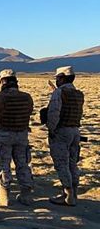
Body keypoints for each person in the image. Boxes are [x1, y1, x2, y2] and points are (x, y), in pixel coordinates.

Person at [0, 69, 34, 206]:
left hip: (3, 134)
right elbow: (29, 111)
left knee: (3, 164)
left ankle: (4, 196)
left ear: (2, 82)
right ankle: (26, 195)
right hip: (22, 135)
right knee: (23, 164)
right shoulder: (27, 97)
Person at [46, 66, 84, 206]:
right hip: (75, 131)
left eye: (57, 78)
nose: (56, 80)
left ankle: (67, 195)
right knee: (72, 163)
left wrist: (51, 129)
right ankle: (74, 192)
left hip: (62, 132)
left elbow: (54, 113)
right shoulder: (79, 94)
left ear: (62, 78)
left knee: (62, 164)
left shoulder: (60, 93)